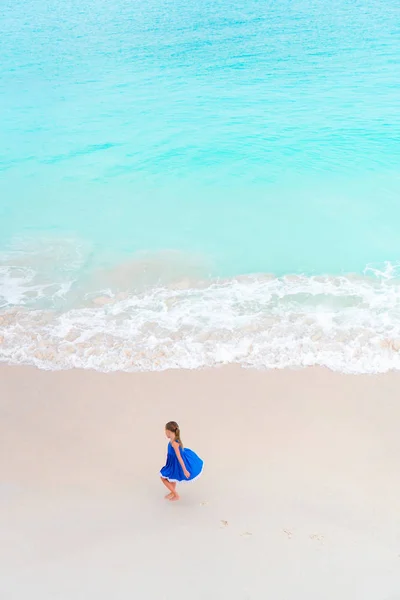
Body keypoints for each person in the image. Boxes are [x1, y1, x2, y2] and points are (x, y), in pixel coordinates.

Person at [160, 421, 203, 501]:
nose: (165, 433)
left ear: (168, 431)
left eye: (165, 431)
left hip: (176, 463)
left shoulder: (174, 443)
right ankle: (173, 492)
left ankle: (176, 495)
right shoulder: (174, 440)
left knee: (163, 478)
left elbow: (179, 457)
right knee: (172, 478)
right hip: (172, 462)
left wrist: (185, 470)